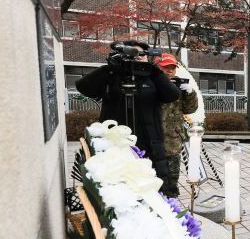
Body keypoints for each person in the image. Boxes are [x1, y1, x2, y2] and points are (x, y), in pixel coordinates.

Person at [76, 40, 181, 186]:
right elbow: (83, 87)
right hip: (114, 142)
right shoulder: (111, 75)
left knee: (151, 185)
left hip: (148, 142)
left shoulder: (152, 77)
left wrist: (155, 72)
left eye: (140, 55)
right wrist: (110, 69)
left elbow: (172, 95)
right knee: (117, 184)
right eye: (131, 54)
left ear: (147, 57)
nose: (136, 58)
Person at [153, 53, 198, 198]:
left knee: (172, 179)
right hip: (153, 139)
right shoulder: (150, 83)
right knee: (153, 179)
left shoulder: (179, 84)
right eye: (166, 67)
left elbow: (190, 109)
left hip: (173, 140)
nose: (170, 70)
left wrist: (190, 93)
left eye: (172, 67)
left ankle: (172, 204)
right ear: (158, 67)